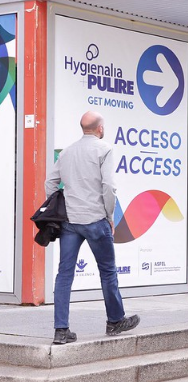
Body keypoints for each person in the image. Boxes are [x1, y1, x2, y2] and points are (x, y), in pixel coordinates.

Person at [44, 111, 140, 345]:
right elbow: (109, 186)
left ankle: (61, 330)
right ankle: (115, 321)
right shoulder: (104, 149)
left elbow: (50, 183)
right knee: (107, 271)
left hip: (70, 222)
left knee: (64, 274)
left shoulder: (66, 152)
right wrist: (109, 215)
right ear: (100, 128)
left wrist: (60, 206)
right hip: (96, 219)